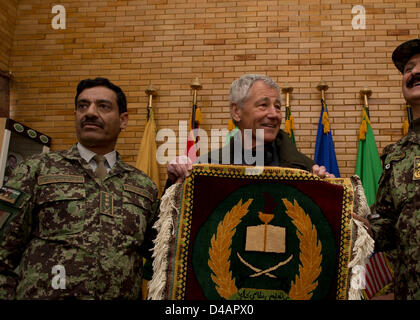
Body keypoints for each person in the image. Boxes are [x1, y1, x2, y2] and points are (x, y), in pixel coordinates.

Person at [0, 77, 158, 299]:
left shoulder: (143, 186)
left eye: (103, 106)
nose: (90, 112)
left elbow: (160, 256)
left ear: (123, 120)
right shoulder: (37, 170)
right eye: (83, 106)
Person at [167, 74, 333, 184]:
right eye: (263, 105)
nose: (274, 114)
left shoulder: (305, 170)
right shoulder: (207, 167)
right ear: (236, 111)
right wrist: (175, 182)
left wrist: (326, 193)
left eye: (277, 106)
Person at [354, 39, 420, 300]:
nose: (414, 72)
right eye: (409, 68)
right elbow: (388, 220)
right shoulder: (397, 153)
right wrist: (360, 227)